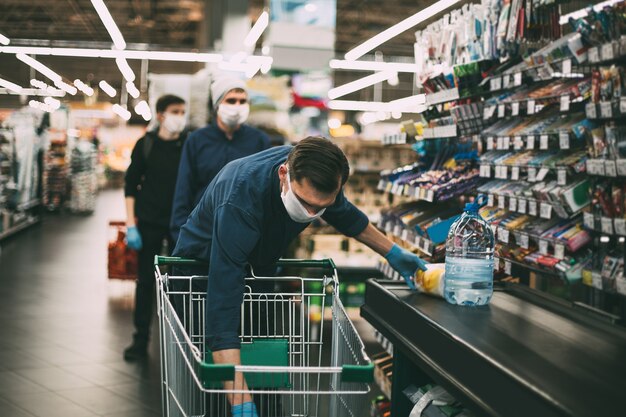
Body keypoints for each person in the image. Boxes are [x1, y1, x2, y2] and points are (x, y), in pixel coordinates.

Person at [172, 136, 427, 416]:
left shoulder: (317, 168)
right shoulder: (240, 200)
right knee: (213, 385)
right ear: (284, 173)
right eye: (304, 202)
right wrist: (242, 404)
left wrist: (392, 252)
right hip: (203, 274)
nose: (310, 213)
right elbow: (222, 313)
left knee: (265, 377)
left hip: (259, 272)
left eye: (320, 207)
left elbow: (344, 214)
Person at [123, 94, 188, 361]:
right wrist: (130, 225)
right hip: (148, 223)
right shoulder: (146, 144)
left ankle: (180, 342)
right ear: (160, 114)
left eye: (183, 112)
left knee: (181, 283)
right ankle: (140, 340)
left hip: (181, 226)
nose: (180, 117)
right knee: (145, 282)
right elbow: (130, 186)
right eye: (175, 111)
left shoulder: (188, 146)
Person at [170, 76, 270, 242]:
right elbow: (184, 189)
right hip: (202, 230)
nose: (237, 106)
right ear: (217, 105)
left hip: (244, 232)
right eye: (231, 100)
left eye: (242, 101)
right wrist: (180, 234)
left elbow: (266, 191)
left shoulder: (259, 141)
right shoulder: (197, 140)